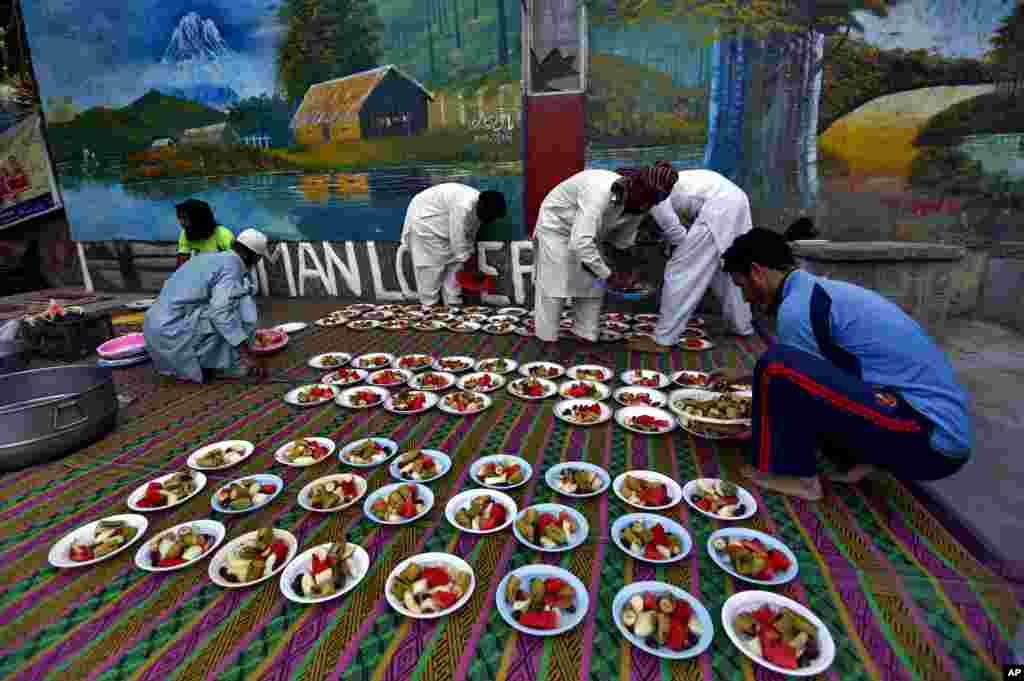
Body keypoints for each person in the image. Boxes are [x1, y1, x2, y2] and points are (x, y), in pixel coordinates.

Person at [711, 228, 972, 500]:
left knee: (777, 364)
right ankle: (865, 457)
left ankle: (799, 478)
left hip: (930, 441)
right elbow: (819, 373)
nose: (745, 298)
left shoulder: (796, 309)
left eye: (741, 286)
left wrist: (749, 424)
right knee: (783, 368)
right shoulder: (815, 291)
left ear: (756, 272)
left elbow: (789, 385)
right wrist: (743, 377)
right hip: (936, 433)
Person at [532, 163, 679, 345]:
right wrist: (609, 275)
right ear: (638, 188)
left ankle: (585, 334)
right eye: (647, 200)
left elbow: (621, 242)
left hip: (592, 234)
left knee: (593, 286)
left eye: (653, 202)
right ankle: (546, 339)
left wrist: (626, 271)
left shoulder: (643, 202)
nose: (648, 205)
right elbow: (581, 242)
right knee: (555, 285)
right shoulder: (599, 191)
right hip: (557, 228)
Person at [629, 169, 754, 354]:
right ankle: (741, 325)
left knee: (681, 270)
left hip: (719, 206)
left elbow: (676, 233)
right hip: (734, 198)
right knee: (728, 268)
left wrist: (679, 252)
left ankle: (663, 339)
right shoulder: (657, 182)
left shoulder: (652, 191)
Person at [145, 229, 268, 384]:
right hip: (170, 332)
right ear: (254, 257)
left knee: (231, 302)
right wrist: (247, 354)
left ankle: (207, 359)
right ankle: (219, 365)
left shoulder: (212, 258)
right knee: (242, 305)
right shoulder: (231, 268)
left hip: (155, 330)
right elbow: (221, 314)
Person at [400, 184, 507, 307]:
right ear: (482, 207)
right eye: (489, 218)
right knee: (431, 272)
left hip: (443, 225)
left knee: (455, 268)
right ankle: (429, 309)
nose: (489, 221)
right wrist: (468, 263)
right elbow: (458, 235)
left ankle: (453, 306)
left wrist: (468, 252)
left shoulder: (480, 204)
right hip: (425, 223)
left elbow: (470, 232)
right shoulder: (463, 205)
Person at [175, 199, 235, 268]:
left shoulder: (223, 235)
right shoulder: (185, 233)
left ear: (199, 218)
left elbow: (235, 263)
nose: (181, 222)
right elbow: (181, 264)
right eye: (179, 217)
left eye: (185, 218)